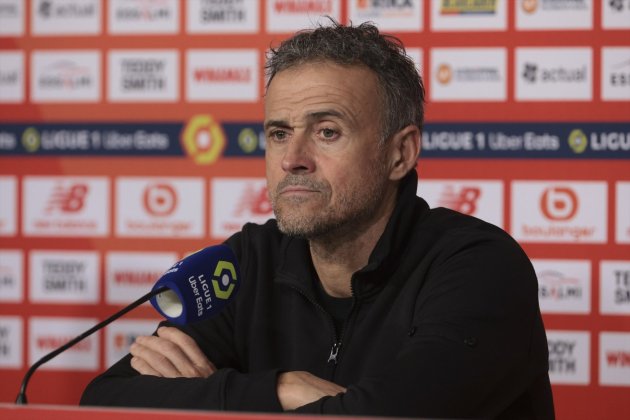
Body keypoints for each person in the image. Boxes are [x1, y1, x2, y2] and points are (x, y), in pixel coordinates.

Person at [81, 20, 555, 418]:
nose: (293, 159)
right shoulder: (248, 261)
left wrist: (209, 399)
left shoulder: (479, 268)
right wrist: (278, 390)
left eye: (327, 132)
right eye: (279, 133)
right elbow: (106, 400)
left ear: (400, 154)